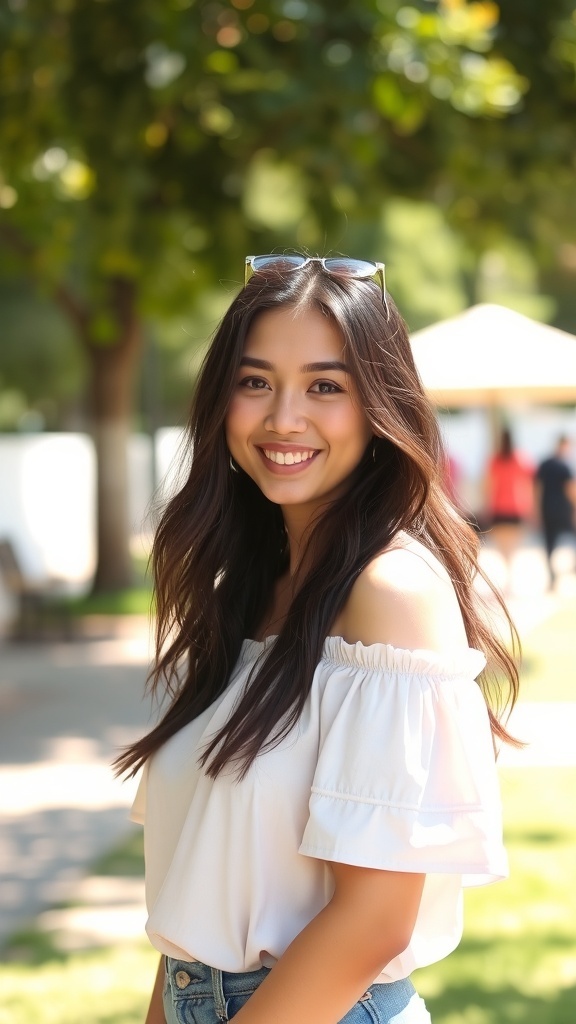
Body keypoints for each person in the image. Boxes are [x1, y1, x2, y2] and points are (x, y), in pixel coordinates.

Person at [115, 254, 520, 1024]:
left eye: (325, 386)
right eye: (256, 381)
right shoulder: (251, 591)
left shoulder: (388, 595)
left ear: (380, 406)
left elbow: (373, 921)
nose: (283, 419)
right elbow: (198, 894)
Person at [484, 427, 534, 590]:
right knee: (513, 546)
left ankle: (507, 575)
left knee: (501, 546)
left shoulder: (495, 459)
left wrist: (487, 506)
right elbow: (529, 483)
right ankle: (510, 576)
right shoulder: (520, 458)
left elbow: (489, 486)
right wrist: (531, 506)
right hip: (516, 507)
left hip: (498, 507)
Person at [535, 434, 576, 587]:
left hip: (547, 509)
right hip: (563, 511)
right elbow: (570, 489)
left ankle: (552, 576)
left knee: (549, 544)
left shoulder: (545, 464)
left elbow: (537, 489)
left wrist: (537, 511)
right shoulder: (564, 466)